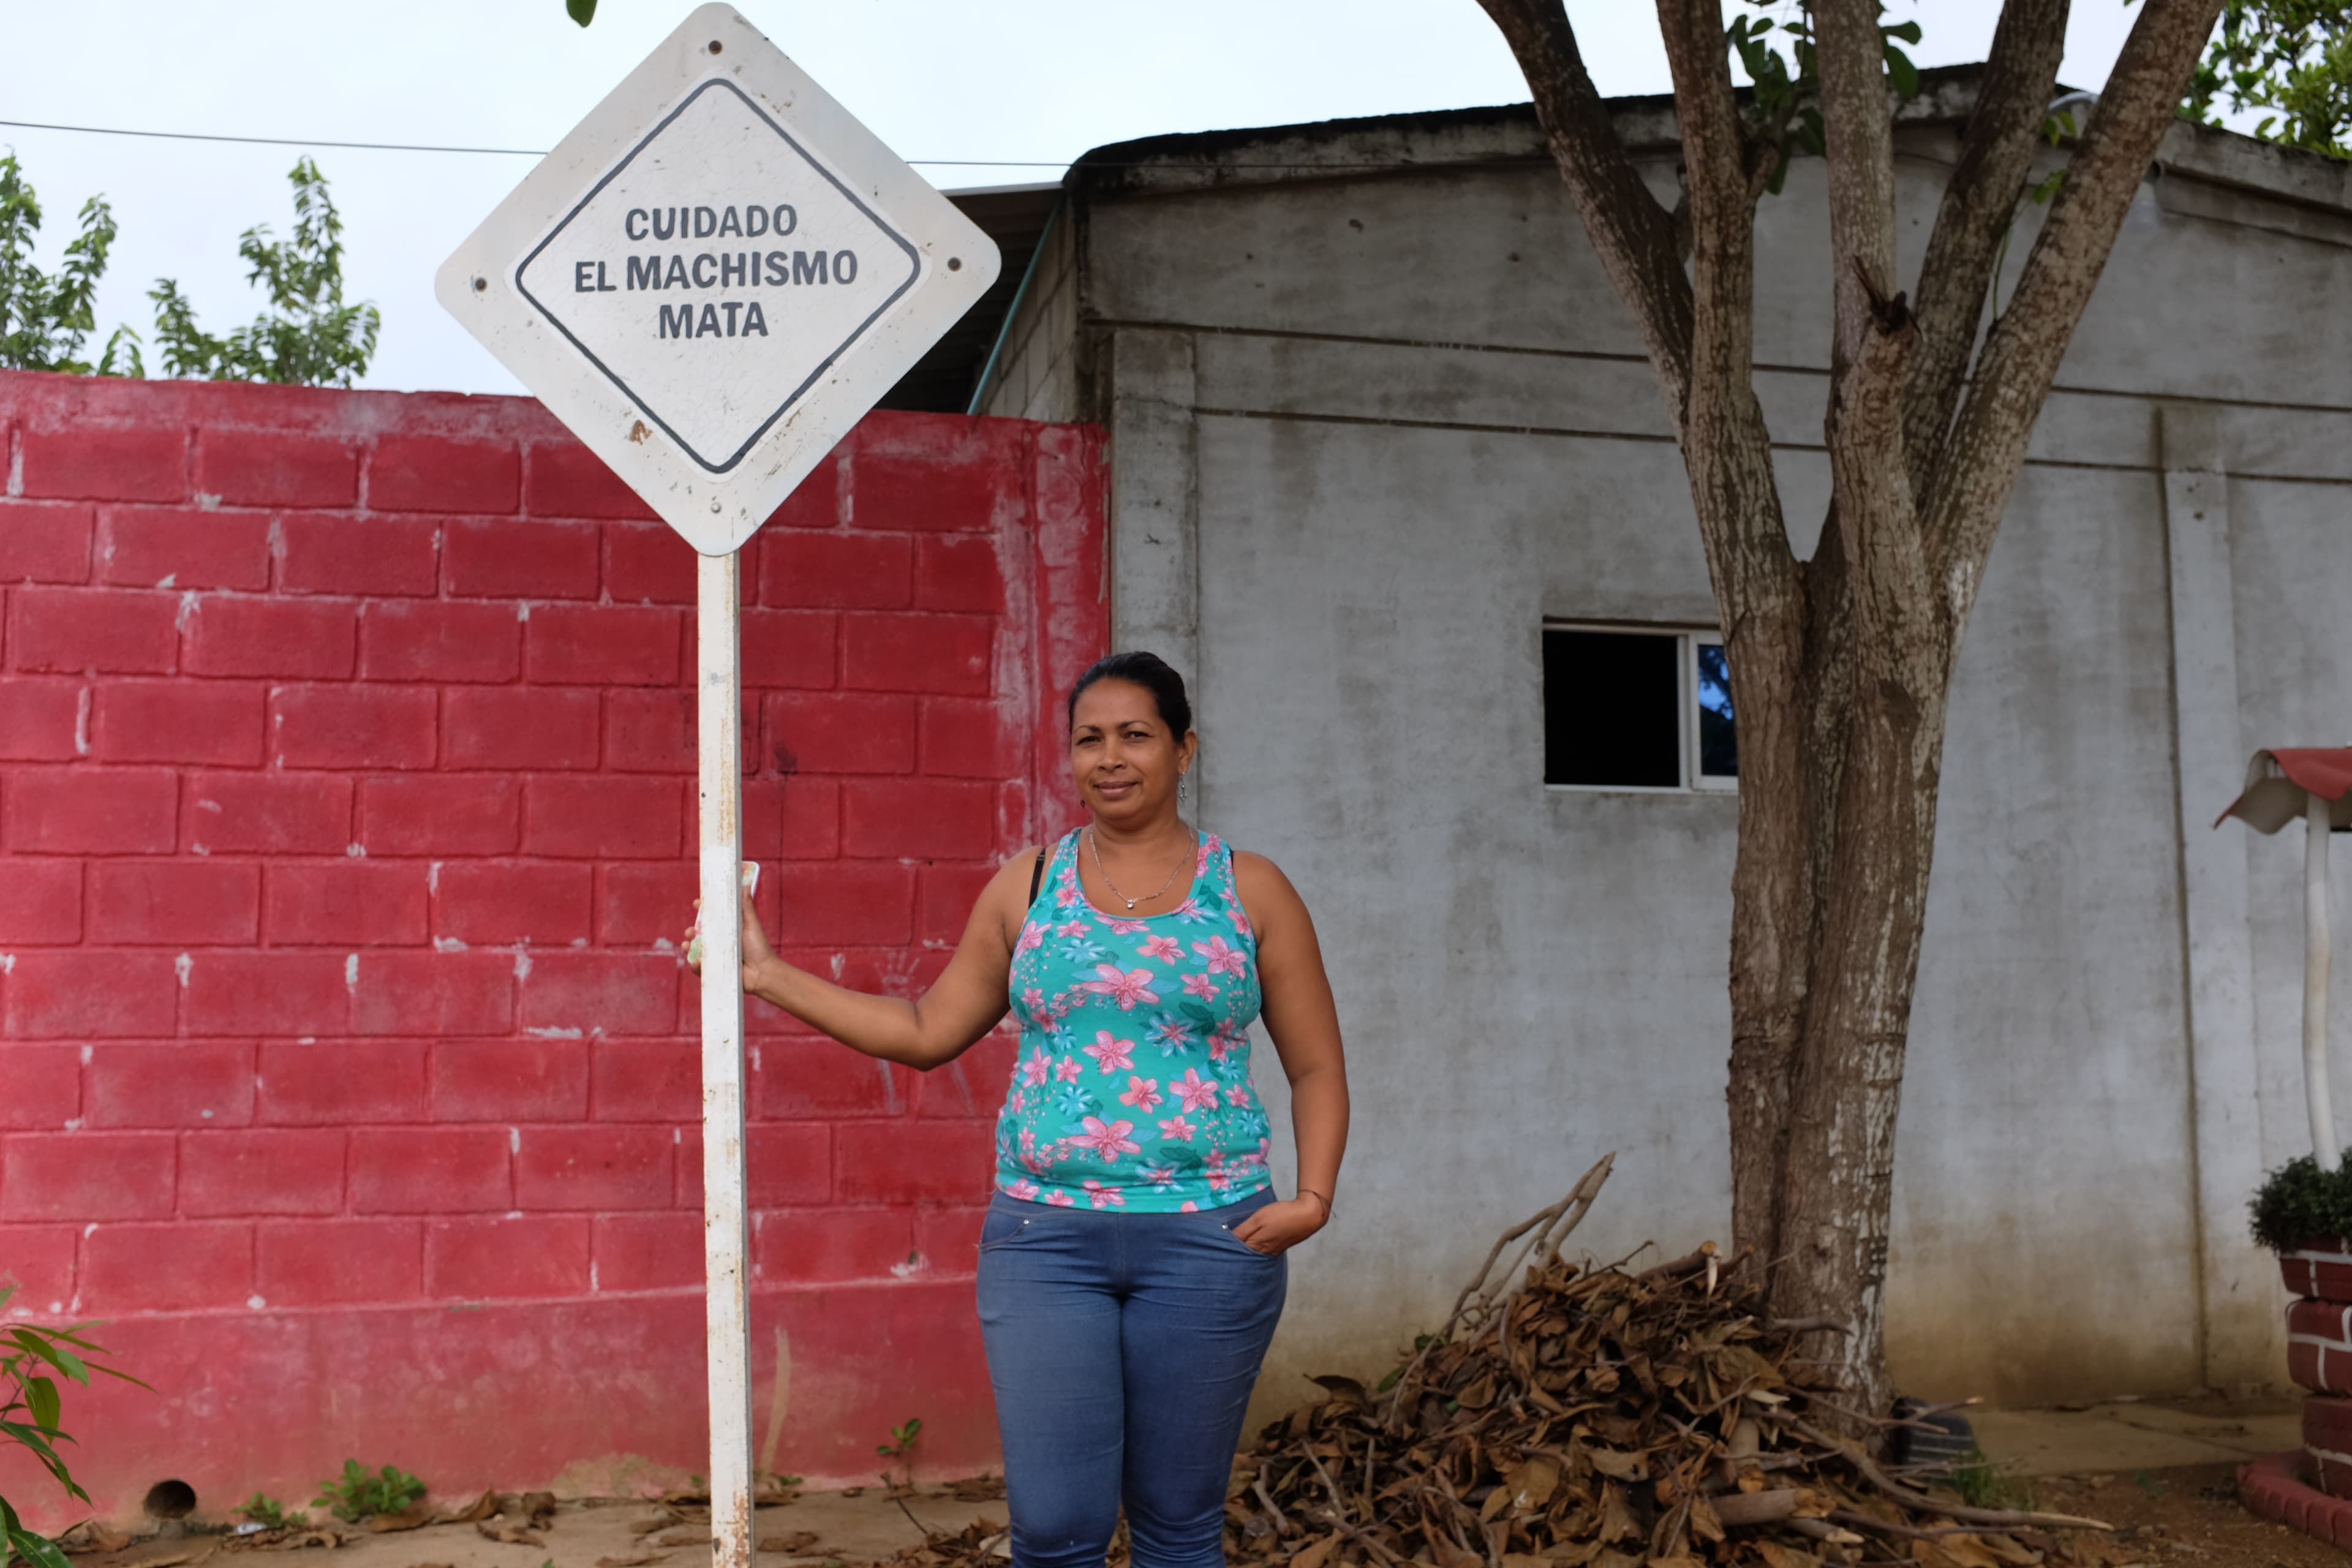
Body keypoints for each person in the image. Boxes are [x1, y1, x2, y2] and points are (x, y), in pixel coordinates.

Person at [689, 649, 1351, 1568]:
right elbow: (926, 1028)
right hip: (1047, 1244)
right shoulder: (1029, 887)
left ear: (1184, 749)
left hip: (1213, 1243)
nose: (1110, 758)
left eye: (1135, 736)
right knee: (1054, 1531)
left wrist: (1314, 1200)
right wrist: (765, 977)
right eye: (1089, 740)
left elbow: (1317, 1067)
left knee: (1178, 1526)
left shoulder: (1250, 889)